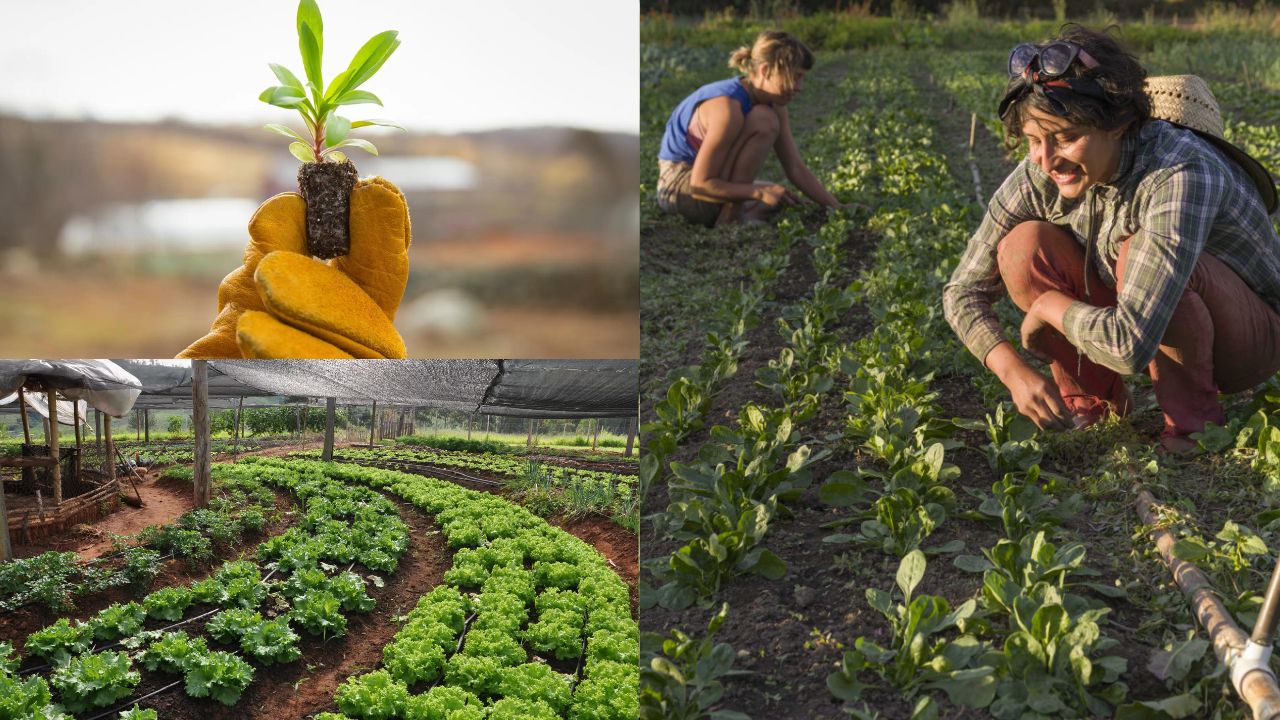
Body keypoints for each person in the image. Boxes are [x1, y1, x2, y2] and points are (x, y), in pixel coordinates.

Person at [942, 25, 1280, 453]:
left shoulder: (1179, 173)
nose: (1046, 159)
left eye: (1066, 138)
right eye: (1033, 140)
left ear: (1118, 124)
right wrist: (1012, 371)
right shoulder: (1041, 170)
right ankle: (1094, 403)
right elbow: (962, 291)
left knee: (1138, 249)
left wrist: (1049, 306)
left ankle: (1192, 426)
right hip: (1138, 318)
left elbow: (1129, 345)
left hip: (1248, 338)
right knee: (1023, 246)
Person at [656, 29, 842, 227]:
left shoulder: (774, 103)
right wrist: (758, 192)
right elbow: (699, 186)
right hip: (678, 189)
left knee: (781, 196)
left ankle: (746, 211)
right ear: (765, 70)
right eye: (794, 77)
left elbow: (795, 168)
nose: (799, 87)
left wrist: (837, 208)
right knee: (764, 121)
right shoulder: (727, 109)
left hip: (705, 185)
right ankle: (731, 217)